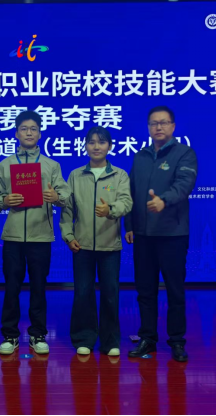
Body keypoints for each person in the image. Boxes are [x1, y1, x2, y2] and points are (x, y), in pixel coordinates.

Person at [124, 106, 198, 363]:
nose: (158, 127)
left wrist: (163, 200)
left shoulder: (184, 154)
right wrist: (129, 224)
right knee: (145, 291)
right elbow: (131, 192)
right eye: (154, 123)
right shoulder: (140, 156)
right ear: (148, 128)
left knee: (175, 291)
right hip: (143, 235)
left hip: (172, 235)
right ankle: (148, 338)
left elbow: (184, 185)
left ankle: (177, 341)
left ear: (173, 126)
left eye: (164, 123)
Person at [0, 110, 70, 356]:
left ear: (39, 134)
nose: (29, 133)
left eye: (33, 129)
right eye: (24, 129)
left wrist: (56, 196)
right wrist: (5, 200)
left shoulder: (51, 165)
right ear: (16, 133)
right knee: (11, 287)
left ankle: (38, 334)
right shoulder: (4, 165)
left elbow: (65, 195)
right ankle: (10, 335)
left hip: (41, 236)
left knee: (39, 287)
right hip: (13, 236)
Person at [61, 126, 133, 357]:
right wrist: (68, 236)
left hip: (110, 245)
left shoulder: (119, 175)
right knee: (83, 293)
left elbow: (126, 202)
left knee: (110, 294)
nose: (96, 146)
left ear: (109, 146)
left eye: (101, 142)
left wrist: (110, 210)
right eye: (91, 142)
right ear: (85, 146)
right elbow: (67, 210)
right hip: (81, 245)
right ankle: (84, 338)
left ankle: (110, 341)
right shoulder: (75, 175)